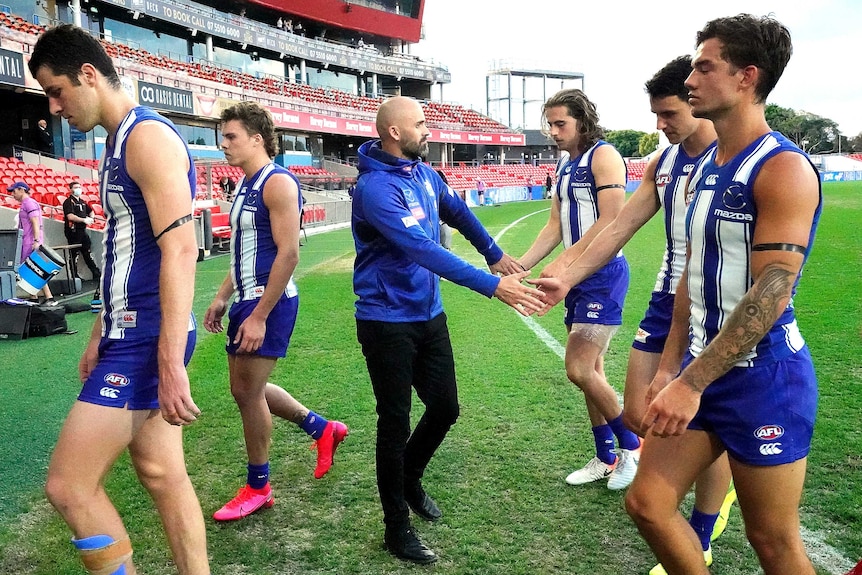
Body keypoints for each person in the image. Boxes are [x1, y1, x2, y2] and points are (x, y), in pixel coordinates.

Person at [623, 14, 822, 575]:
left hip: (764, 378)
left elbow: (773, 291)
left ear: (746, 77)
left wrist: (690, 381)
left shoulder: (782, 168)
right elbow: (690, 272)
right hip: (699, 368)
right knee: (647, 505)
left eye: (704, 65)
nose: (690, 77)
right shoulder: (699, 168)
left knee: (772, 541)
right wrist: (669, 365)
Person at [531, 56, 736, 574]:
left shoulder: (736, 157)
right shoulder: (663, 164)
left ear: (698, 102)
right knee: (641, 415)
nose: (660, 127)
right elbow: (619, 228)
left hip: (721, 308)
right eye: (657, 115)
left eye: (668, 114)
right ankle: (625, 453)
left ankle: (705, 529)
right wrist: (566, 275)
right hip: (668, 297)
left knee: (713, 418)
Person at [29, 24, 209, 575]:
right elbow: (126, 257)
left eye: (56, 90)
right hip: (127, 332)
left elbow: (181, 251)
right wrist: (97, 331)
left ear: (88, 75)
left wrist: (171, 361)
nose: (54, 106)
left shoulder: (147, 138)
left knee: (68, 486)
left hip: (150, 336)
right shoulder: (118, 140)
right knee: (161, 473)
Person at [352, 96, 544, 564]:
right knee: (393, 422)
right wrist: (492, 285)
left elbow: (457, 211)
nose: (428, 129)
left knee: (445, 407)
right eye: (420, 124)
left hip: (427, 314)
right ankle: (396, 527)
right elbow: (421, 249)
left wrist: (493, 251)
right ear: (394, 133)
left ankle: (409, 478)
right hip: (385, 320)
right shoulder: (375, 188)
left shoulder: (424, 174)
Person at [204, 102, 348, 522]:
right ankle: (322, 428)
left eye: (230, 136)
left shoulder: (277, 183)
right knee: (246, 387)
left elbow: (288, 254)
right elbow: (244, 252)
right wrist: (221, 295)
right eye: (222, 136)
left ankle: (259, 486)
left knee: (246, 392)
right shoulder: (246, 184)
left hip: (269, 301)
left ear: (256, 138)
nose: (223, 144)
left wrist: (260, 314)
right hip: (247, 296)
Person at [518, 88, 641, 490]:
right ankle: (606, 456)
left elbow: (612, 220)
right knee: (593, 372)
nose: (553, 132)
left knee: (579, 369)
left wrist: (568, 264)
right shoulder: (567, 165)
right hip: (575, 278)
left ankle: (632, 448)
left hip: (601, 274)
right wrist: (520, 266)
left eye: (560, 123)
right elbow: (554, 225)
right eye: (549, 124)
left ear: (582, 121)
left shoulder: (603, 156)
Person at [9, 181, 57, 304]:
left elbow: (35, 222)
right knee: (31, 270)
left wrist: (36, 241)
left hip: (30, 241)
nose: (12, 195)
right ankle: (34, 297)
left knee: (35, 270)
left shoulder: (29, 203)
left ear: (21, 190)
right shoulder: (27, 203)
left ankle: (49, 297)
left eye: (14, 191)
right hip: (28, 241)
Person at [62, 181, 101, 286]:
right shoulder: (68, 202)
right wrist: (83, 220)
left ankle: (96, 273)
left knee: (87, 252)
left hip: (82, 231)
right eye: (76, 187)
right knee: (74, 254)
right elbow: (70, 216)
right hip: (73, 231)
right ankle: (74, 276)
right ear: (71, 189)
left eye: (79, 187)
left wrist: (91, 218)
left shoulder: (83, 202)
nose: (78, 189)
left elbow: (91, 211)